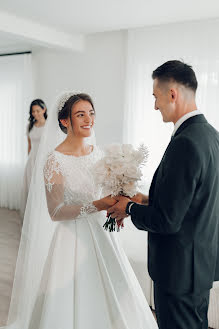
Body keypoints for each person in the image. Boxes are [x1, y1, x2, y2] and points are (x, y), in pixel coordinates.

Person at [6, 92, 158, 329]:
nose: (89, 119)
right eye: (80, 114)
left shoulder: (98, 154)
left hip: (102, 235)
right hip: (71, 240)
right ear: (65, 121)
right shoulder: (54, 160)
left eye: (91, 113)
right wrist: (101, 204)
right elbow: (56, 212)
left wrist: (129, 203)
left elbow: (111, 192)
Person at [107, 60, 219, 329]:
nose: (155, 106)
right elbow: (194, 199)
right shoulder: (210, 136)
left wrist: (129, 209)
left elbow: (167, 220)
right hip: (198, 267)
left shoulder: (185, 143)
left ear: (172, 94)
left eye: (156, 97)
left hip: (178, 272)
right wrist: (145, 199)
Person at [20, 99, 47, 218]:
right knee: (31, 189)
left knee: (41, 190)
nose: (35, 113)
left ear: (44, 110)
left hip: (43, 161)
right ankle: (30, 217)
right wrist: (29, 160)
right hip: (31, 161)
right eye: (33, 111)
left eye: (38, 110)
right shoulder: (30, 126)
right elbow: (29, 146)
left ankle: (41, 217)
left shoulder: (48, 127)